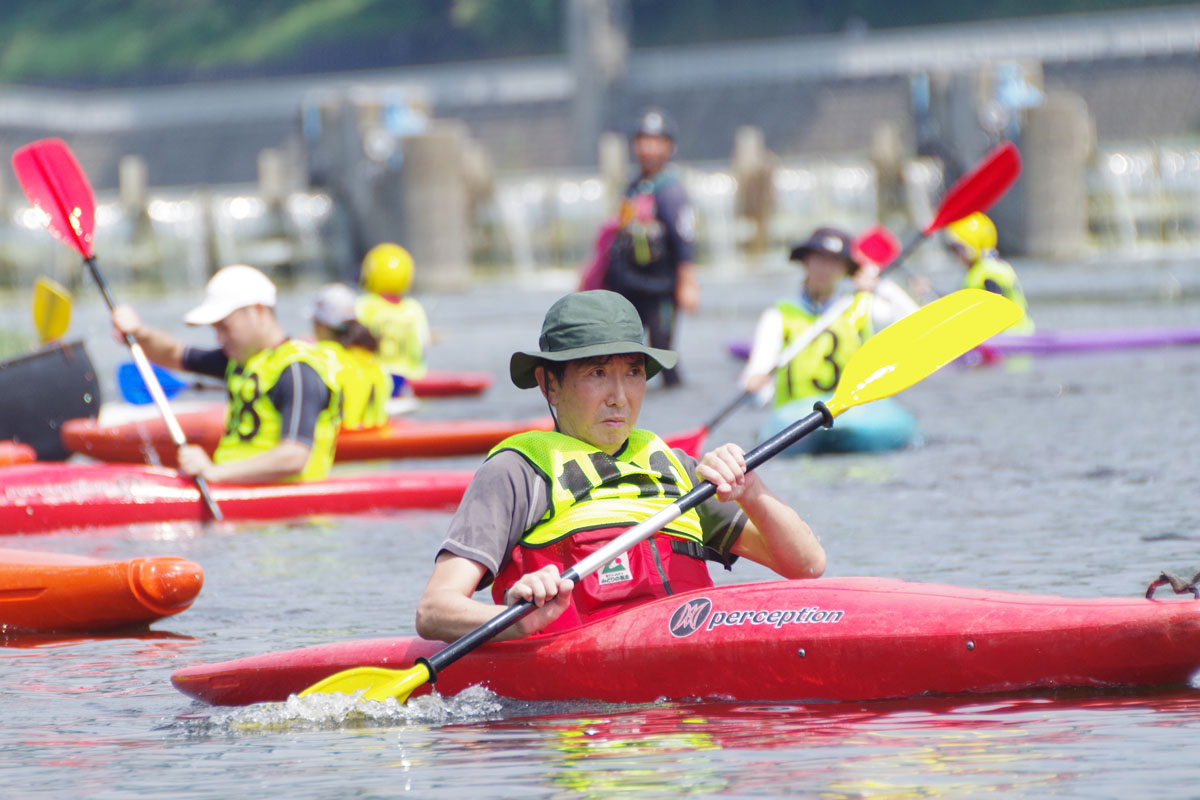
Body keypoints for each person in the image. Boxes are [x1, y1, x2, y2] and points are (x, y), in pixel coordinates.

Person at [415, 290, 825, 643]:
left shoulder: (678, 468)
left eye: (633, 373)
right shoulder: (516, 473)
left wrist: (751, 490)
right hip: (573, 715)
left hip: (684, 719)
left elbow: (805, 566)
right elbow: (434, 611)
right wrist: (513, 623)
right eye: (597, 373)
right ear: (549, 384)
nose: (619, 397)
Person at [110, 264, 341, 483]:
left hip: (292, 517)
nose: (219, 338)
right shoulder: (240, 360)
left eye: (224, 326)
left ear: (258, 311)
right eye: (215, 329)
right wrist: (139, 332)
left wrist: (215, 472)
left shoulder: (297, 370)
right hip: (235, 490)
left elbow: (294, 457)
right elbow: (173, 354)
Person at [741, 226, 919, 404]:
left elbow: (916, 325)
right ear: (805, 262)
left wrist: (882, 285)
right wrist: (756, 387)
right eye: (819, 259)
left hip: (853, 413)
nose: (825, 269)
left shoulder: (864, 307)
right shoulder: (777, 316)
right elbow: (757, 384)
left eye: (834, 262)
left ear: (845, 270)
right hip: (797, 420)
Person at [602, 109, 700, 388]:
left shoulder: (672, 191)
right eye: (643, 140)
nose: (648, 148)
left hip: (660, 289)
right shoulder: (633, 186)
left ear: (670, 147)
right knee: (623, 349)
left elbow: (684, 238)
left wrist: (688, 283)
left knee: (662, 352)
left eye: (656, 141)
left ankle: (676, 402)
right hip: (629, 286)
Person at [310, 283, 392, 431]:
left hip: (335, 447)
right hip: (374, 447)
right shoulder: (373, 361)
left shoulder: (316, 357)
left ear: (321, 324)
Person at [355, 242, 431, 395]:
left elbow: (352, 341)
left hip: (377, 378)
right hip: (410, 378)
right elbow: (424, 344)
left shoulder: (365, 305)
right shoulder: (414, 308)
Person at [944, 212, 1034, 333]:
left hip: (1010, 343)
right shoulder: (984, 269)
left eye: (958, 248)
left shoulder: (989, 273)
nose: (955, 254)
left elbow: (994, 313)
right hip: (1010, 341)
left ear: (972, 247)